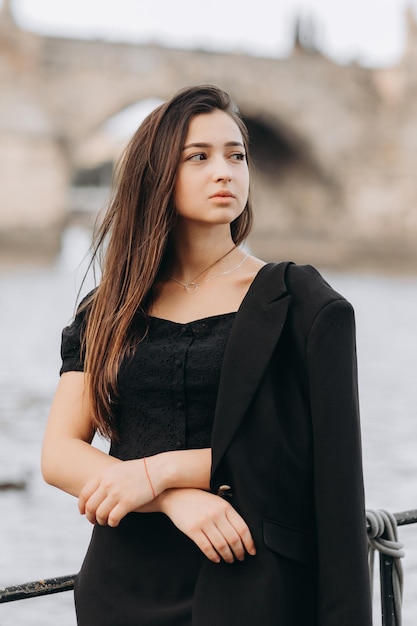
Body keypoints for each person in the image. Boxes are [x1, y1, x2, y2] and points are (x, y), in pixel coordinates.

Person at [41, 84, 372, 626]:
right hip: (120, 588)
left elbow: (323, 469)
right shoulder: (108, 309)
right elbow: (59, 455)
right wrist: (172, 498)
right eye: (199, 156)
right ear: (156, 175)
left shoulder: (303, 303)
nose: (225, 171)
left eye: (236, 155)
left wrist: (159, 471)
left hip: (254, 584)